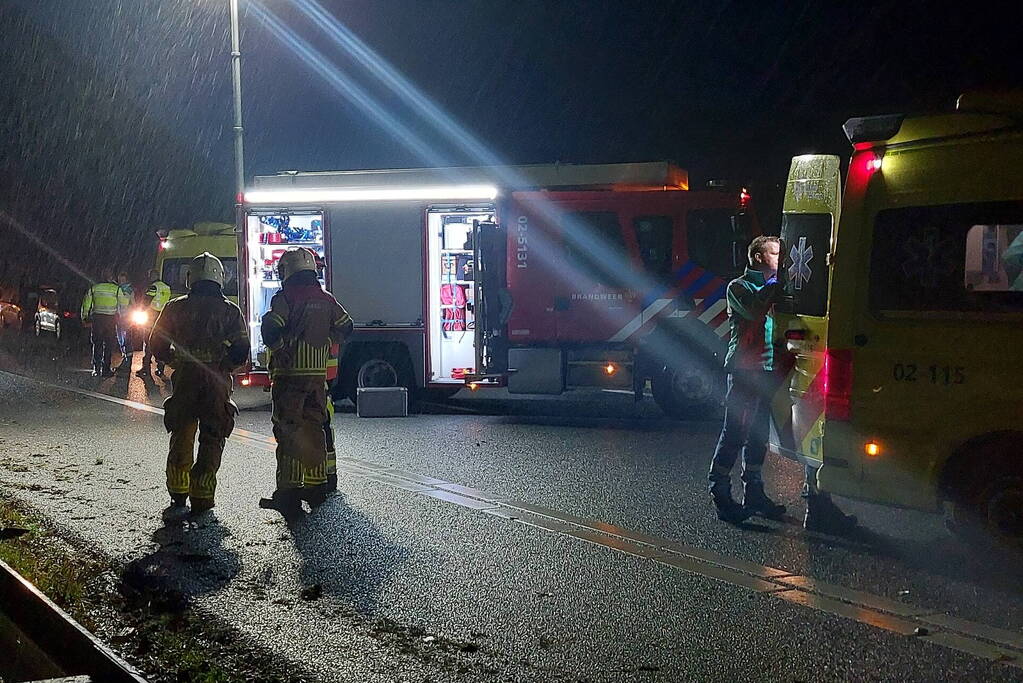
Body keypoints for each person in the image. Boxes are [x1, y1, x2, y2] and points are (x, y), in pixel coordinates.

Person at [149, 253, 249, 515]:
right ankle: (203, 494)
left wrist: (175, 360)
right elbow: (241, 349)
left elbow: (157, 344)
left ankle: (178, 491)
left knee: (182, 432)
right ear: (220, 279)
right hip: (216, 380)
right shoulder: (230, 310)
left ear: (190, 278)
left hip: (185, 379)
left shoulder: (174, 308)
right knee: (212, 435)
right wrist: (223, 367)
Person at [259, 248, 352, 519]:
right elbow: (347, 327)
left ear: (286, 272)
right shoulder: (326, 299)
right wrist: (325, 339)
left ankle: (288, 495)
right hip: (316, 379)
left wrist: (281, 348)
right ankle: (316, 487)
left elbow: (271, 329)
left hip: (289, 378)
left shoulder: (285, 297)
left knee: (288, 432)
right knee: (314, 428)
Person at [708, 236, 788, 523]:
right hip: (743, 370)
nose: (781, 259)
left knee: (759, 435)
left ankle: (754, 492)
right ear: (757, 257)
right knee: (735, 432)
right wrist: (776, 285)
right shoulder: (738, 287)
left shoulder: (775, 288)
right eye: (775, 254)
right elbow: (754, 310)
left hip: (768, 371)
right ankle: (720, 493)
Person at [80, 269, 120, 377]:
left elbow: (86, 304)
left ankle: (96, 369)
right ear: (111, 277)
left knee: (97, 344)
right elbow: (123, 304)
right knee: (109, 345)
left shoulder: (94, 288)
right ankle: (106, 370)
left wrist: (84, 317)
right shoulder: (116, 289)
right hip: (111, 320)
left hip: (97, 319)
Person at [136, 269, 172, 378]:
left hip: (151, 316)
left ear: (152, 276)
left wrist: (140, 310)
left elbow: (146, 301)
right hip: (163, 317)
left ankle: (145, 368)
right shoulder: (166, 287)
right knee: (160, 343)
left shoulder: (153, 286)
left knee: (148, 342)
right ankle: (160, 369)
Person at [114, 272, 135, 374]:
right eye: (119, 280)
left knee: (126, 339)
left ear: (126, 280)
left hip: (126, 317)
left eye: (123, 280)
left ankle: (127, 363)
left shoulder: (128, 290)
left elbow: (132, 303)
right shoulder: (118, 289)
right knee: (121, 338)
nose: (121, 282)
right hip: (120, 317)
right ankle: (125, 360)